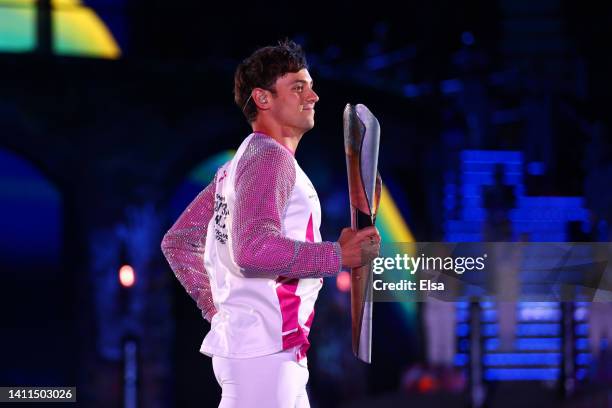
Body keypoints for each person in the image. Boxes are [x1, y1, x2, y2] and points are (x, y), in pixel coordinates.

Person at [161, 40, 380, 408]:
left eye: (309, 86)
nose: (313, 96)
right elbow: (252, 249)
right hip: (264, 354)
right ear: (263, 99)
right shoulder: (269, 160)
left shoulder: (236, 166)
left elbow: (179, 241)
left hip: (265, 351)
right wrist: (337, 255)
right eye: (298, 87)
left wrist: (222, 310)